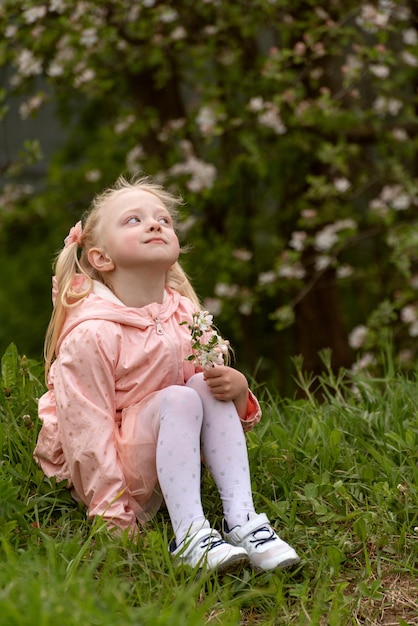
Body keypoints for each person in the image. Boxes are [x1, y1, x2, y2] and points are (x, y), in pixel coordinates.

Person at [34, 175, 300, 574]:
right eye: (133, 220)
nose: (155, 224)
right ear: (100, 258)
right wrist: (113, 517)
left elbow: (213, 405)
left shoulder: (185, 314)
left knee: (203, 388)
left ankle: (242, 520)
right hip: (118, 474)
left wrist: (239, 389)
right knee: (180, 397)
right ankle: (191, 533)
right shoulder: (92, 332)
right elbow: (86, 432)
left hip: (173, 449)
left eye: (164, 220)